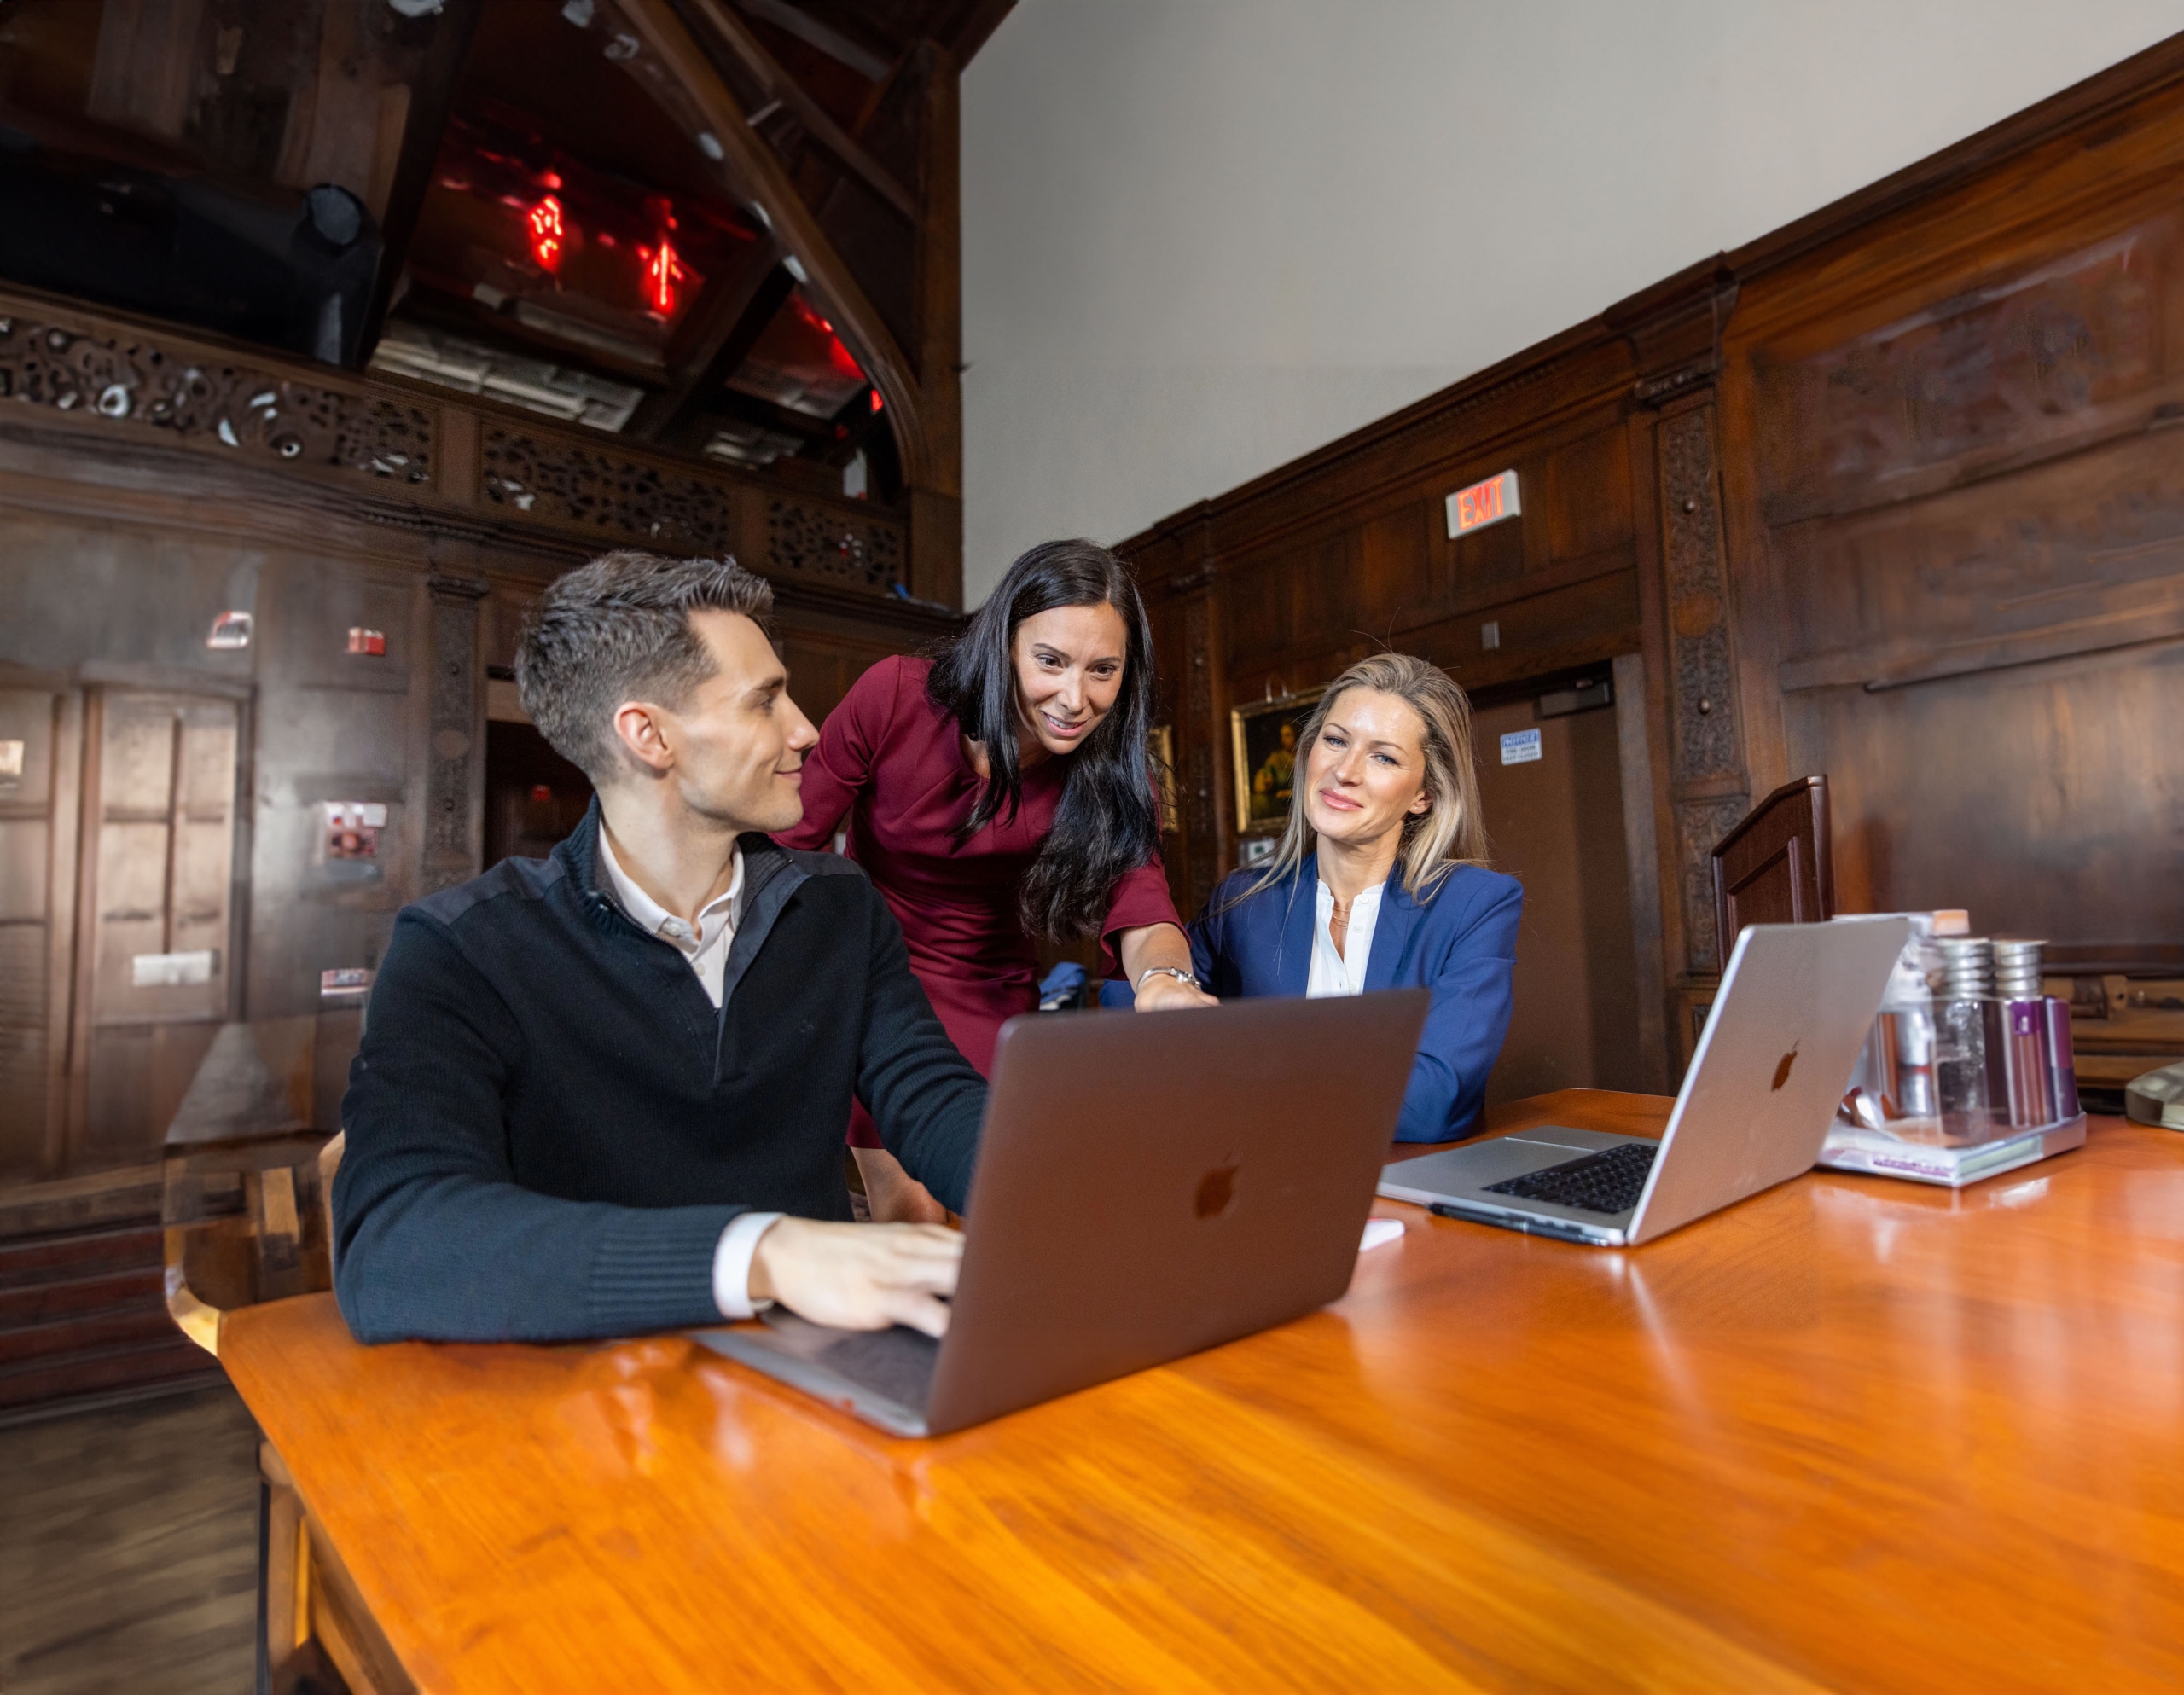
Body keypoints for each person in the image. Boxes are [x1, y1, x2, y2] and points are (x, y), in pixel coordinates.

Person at [331, 551, 987, 1344]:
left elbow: (935, 1100)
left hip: (817, 1386)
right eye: (765, 701)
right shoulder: (460, 949)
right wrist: (764, 1253)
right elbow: (395, 1246)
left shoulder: (840, 908)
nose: (807, 730)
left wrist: (1068, 1187)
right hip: (584, 1393)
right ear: (649, 735)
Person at [778, 539, 1215, 1222]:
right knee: (914, 1215)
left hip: (988, 988)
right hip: (871, 982)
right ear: (1003, 642)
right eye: (1051, 660)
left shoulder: (1113, 777)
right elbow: (788, 835)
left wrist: (1167, 983)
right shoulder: (895, 696)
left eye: (1104, 669)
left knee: (989, 1214)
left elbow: (1144, 906)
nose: (1076, 698)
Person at [1187, 653, 1522, 1143]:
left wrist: (1245, 1057)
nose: (1345, 771)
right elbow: (1146, 1026)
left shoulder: (1474, 904)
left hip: (1408, 1196)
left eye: (1383, 757)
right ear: (1309, 752)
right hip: (1264, 1184)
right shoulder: (1241, 902)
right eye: (1336, 740)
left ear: (1423, 795)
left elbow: (1431, 1103)